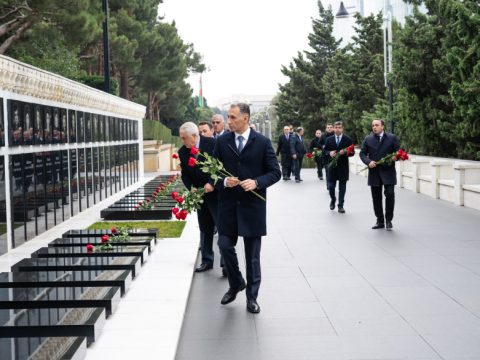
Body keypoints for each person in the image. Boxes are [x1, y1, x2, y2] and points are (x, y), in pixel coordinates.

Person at [214, 103, 281, 314]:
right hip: (228, 207)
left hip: (253, 207)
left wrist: (256, 182)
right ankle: (236, 284)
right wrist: (224, 181)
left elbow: (275, 172)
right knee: (224, 246)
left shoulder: (262, 142)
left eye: (233, 117)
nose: (229, 121)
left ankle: (252, 298)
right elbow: (212, 171)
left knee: (253, 257)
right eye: (228, 117)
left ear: (246, 118)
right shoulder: (222, 141)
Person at [178, 122, 220, 272]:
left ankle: (226, 264)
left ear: (195, 136)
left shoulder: (213, 143)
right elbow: (185, 174)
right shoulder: (183, 152)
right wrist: (191, 188)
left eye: (184, 138)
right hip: (200, 196)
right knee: (205, 228)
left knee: (221, 228)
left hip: (215, 194)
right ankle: (207, 260)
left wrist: (212, 183)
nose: (183, 141)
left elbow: (220, 166)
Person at [360, 119, 400, 230]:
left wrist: (396, 157)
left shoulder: (392, 138)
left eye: (376, 125)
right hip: (374, 173)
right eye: (373, 125)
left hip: (389, 172)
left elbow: (399, 151)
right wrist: (368, 162)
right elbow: (362, 153)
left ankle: (388, 220)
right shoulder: (368, 139)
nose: (374, 127)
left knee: (390, 195)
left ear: (382, 126)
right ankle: (380, 220)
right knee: (376, 198)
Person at [323, 121, 354, 213]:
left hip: (343, 167)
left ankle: (341, 205)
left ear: (342, 128)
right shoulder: (329, 139)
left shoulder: (348, 139)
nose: (337, 129)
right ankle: (333, 199)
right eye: (336, 127)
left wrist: (345, 152)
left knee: (342, 187)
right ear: (333, 128)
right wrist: (329, 153)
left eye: (339, 127)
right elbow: (324, 152)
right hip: (332, 167)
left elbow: (352, 153)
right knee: (331, 186)